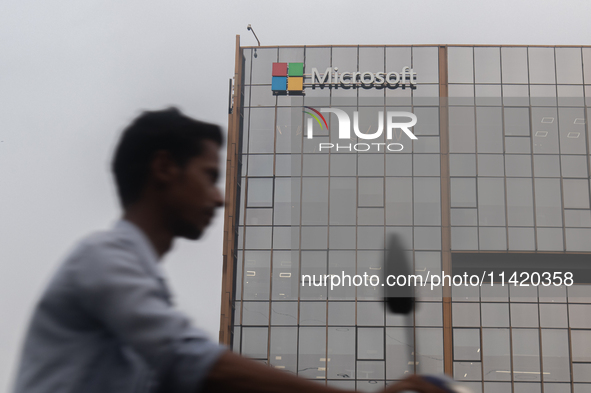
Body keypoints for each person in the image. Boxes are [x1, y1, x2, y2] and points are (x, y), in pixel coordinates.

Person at [13, 108, 447, 393]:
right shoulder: (103, 259)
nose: (220, 198)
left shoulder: (138, 291)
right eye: (209, 176)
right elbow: (195, 363)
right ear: (164, 168)